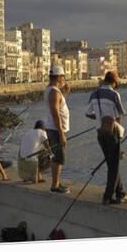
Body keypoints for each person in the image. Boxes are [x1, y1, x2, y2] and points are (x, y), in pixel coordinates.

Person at [86, 71, 127, 205]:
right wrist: (120, 135)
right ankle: (107, 196)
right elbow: (119, 116)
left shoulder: (94, 94)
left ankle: (120, 193)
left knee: (111, 164)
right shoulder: (114, 94)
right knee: (114, 165)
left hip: (100, 133)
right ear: (114, 81)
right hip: (112, 134)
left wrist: (98, 117)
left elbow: (87, 113)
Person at [44, 65, 71, 193]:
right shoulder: (54, 92)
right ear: (59, 77)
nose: (64, 79)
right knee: (58, 158)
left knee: (57, 157)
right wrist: (61, 134)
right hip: (55, 130)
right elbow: (55, 113)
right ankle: (55, 185)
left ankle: (57, 183)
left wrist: (64, 93)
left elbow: (58, 104)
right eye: (63, 77)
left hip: (54, 128)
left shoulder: (52, 90)